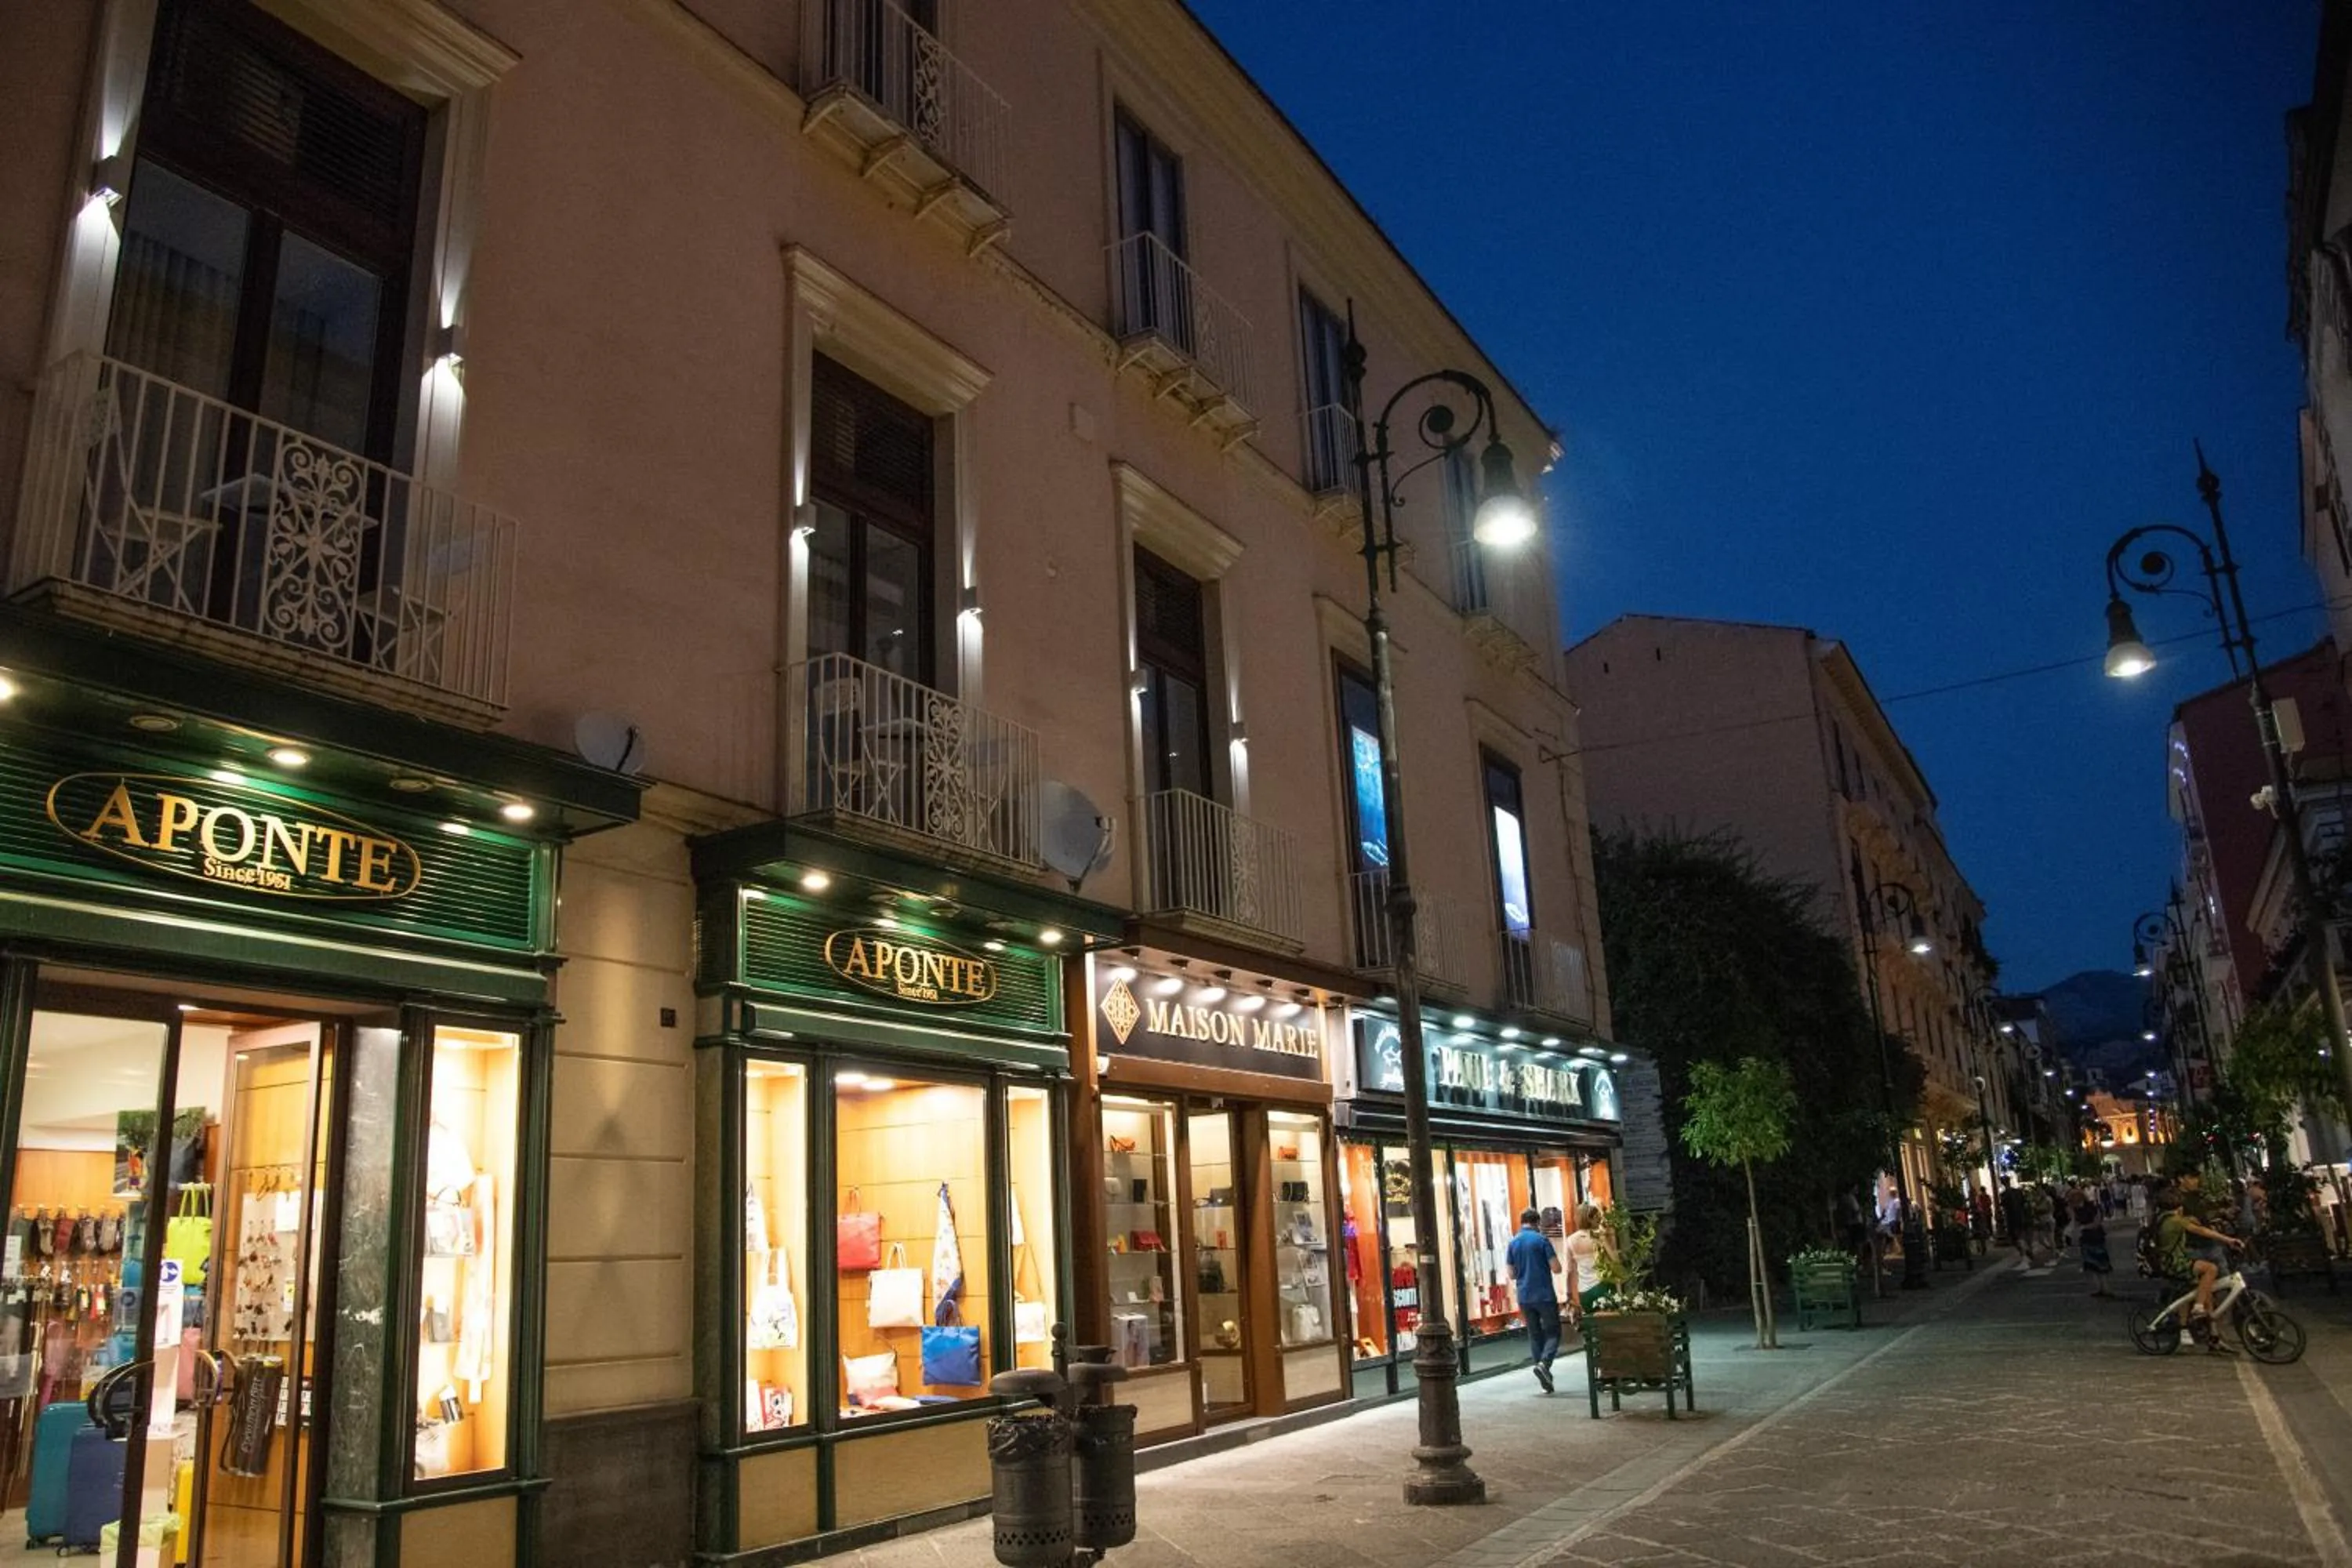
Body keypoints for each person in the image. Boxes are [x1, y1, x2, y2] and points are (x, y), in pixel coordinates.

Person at [2155, 1185, 2244, 1349]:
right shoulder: (2174, 1222)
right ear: (2178, 1205)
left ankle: (2214, 1335)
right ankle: (2198, 1309)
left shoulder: (2164, 1218)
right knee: (2210, 1269)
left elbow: (2190, 1222)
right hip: (2176, 1263)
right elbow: (2200, 1230)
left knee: (2206, 1290)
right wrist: (2228, 1240)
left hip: (2171, 1261)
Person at [1504, 1206, 1562, 1393]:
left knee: (1535, 1334)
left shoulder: (1513, 1243)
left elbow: (1511, 1274)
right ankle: (1544, 1364)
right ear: (1537, 1223)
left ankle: (1543, 1371)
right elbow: (1556, 1268)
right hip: (1544, 1293)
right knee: (1553, 1332)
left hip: (1524, 1295)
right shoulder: (1541, 1240)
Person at [1563, 1201, 1617, 1321]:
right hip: (1603, 1284)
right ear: (1590, 1219)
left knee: (1592, 1323)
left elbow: (1570, 1270)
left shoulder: (1570, 1240)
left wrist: (1569, 1294)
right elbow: (1614, 1259)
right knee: (1609, 1323)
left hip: (1584, 1290)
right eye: (1597, 1217)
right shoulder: (1599, 1237)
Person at [2072, 1189, 2113, 1298]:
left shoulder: (2092, 1207)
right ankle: (2101, 1288)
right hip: (2088, 1238)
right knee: (2093, 1265)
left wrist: (2083, 1227)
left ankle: (2104, 1288)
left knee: (2099, 1264)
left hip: (2094, 1237)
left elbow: (2097, 1222)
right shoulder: (2079, 1210)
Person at [1969, 1186, 1993, 1255]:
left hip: (1980, 1216)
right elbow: (1989, 1203)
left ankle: (1981, 1246)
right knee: (1980, 1231)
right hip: (1982, 1215)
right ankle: (1981, 1246)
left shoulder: (1978, 1198)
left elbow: (1980, 1205)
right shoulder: (1979, 1197)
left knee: (1980, 1231)